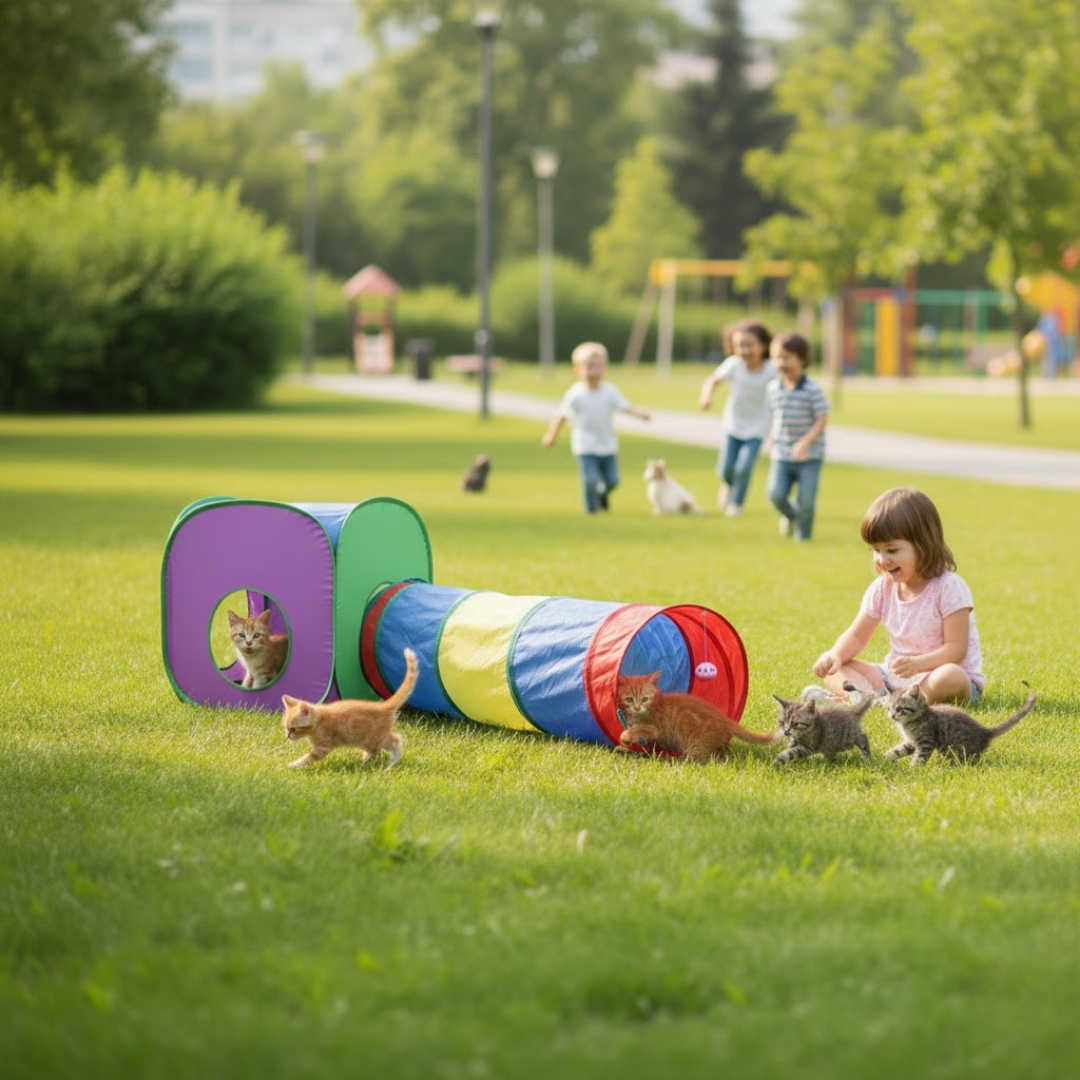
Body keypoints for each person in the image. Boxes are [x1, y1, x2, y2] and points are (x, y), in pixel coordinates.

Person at [811, 487, 984, 705]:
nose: (882, 559)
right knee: (837, 669)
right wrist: (834, 656)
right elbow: (857, 636)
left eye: (891, 550)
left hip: (941, 676)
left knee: (951, 676)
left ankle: (883, 701)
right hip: (895, 679)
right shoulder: (883, 588)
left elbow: (956, 649)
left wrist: (919, 664)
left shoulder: (949, 588)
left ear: (923, 544)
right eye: (876, 550)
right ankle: (873, 700)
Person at [541, 341, 651, 514]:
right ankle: (591, 510)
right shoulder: (575, 394)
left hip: (607, 444)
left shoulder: (609, 391)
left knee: (613, 480)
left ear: (605, 369)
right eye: (589, 367)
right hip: (585, 445)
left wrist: (640, 414)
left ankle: (601, 496)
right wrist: (551, 435)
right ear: (578, 370)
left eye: (598, 367)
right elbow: (562, 416)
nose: (593, 372)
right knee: (590, 480)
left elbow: (624, 406)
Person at [698, 319, 775, 516]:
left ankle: (736, 504)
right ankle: (727, 485)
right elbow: (713, 381)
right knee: (726, 468)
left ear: (763, 346)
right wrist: (706, 396)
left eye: (750, 345)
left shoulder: (771, 370)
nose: (745, 350)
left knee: (744, 466)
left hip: (758, 425)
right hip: (734, 423)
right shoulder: (733, 365)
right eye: (740, 345)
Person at [764, 330, 828, 541]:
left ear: (802, 358)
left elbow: (821, 419)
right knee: (775, 494)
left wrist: (805, 442)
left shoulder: (812, 390)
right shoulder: (773, 388)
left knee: (807, 501)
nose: (781, 362)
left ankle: (803, 538)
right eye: (776, 357)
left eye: (786, 357)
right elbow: (776, 416)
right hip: (782, 453)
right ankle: (791, 516)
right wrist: (772, 436)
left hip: (810, 455)